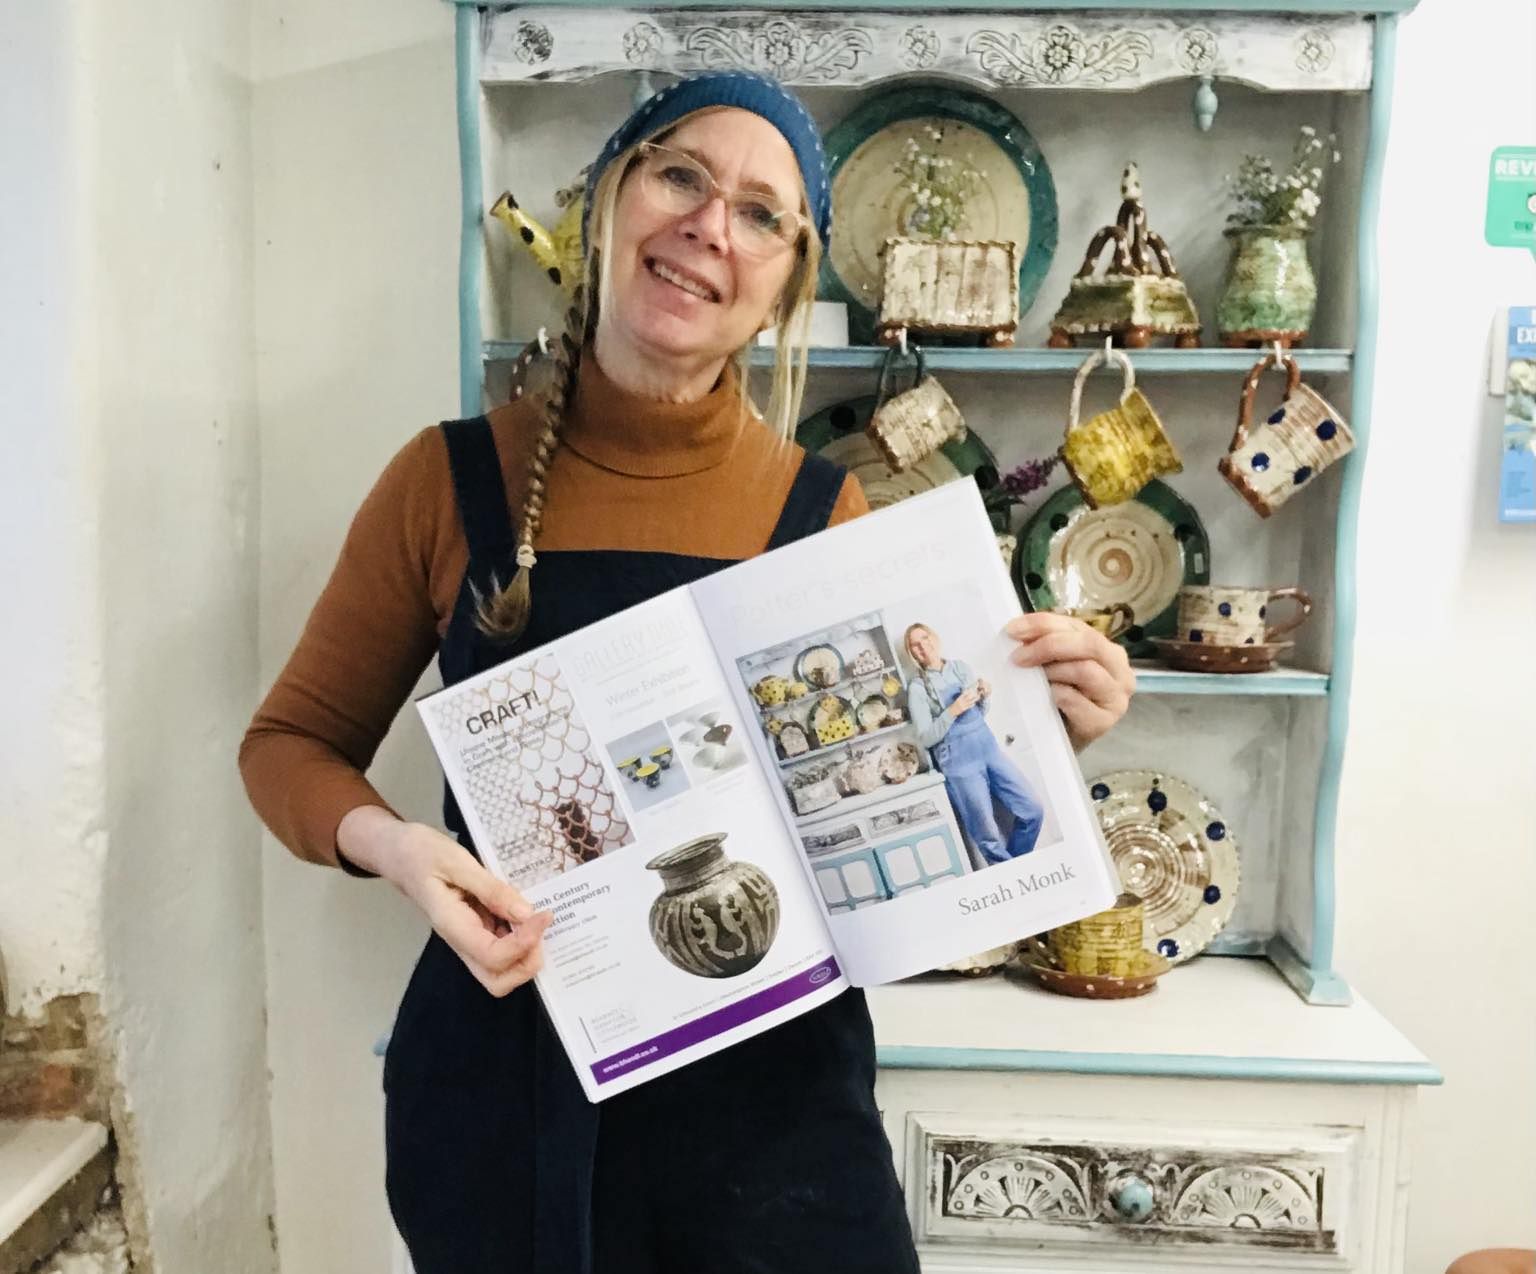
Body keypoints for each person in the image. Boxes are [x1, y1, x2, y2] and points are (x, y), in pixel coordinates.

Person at [238, 71, 1135, 1274]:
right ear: (610, 198)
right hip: (509, 1088)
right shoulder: (448, 481)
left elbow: (880, 788)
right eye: (681, 177)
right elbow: (288, 743)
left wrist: (1046, 723)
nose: (712, 227)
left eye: (762, 215)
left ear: (784, 284)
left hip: (775, 1113)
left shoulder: (824, 509)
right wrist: (397, 847)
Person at [903, 622, 1047, 862]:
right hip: (959, 764)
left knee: (1033, 810)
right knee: (987, 835)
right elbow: (925, 737)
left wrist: (984, 695)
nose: (922, 647)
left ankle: (1018, 865)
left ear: (934, 639)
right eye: (914, 646)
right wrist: (952, 710)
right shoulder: (917, 688)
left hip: (988, 750)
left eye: (925, 639)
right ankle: (1011, 873)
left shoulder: (960, 668)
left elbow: (979, 712)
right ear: (911, 654)